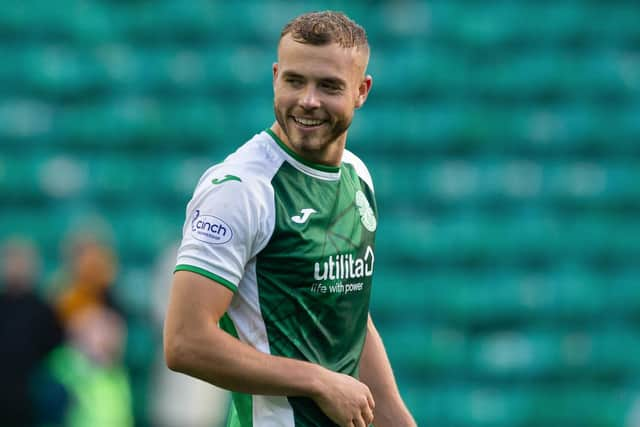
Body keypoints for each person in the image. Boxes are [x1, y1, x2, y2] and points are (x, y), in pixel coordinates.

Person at [164, 11, 416, 427]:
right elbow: (184, 342)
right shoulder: (242, 189)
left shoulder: (357, 178)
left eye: (329, 85)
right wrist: (318, 381)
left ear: (361, 90)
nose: (308, 100)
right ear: (275, 77)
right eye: (295, 81)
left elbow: (347, 315)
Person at [0, 237, 64, 427]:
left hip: (32, 399)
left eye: (22, 259)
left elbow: (55, 353)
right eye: (12, 259)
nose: (17, 265)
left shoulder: (44, 309)